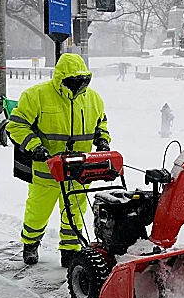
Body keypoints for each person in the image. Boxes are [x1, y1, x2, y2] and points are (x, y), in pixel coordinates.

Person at [7, 53, 111, 267]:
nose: (77, 84)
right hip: (46, 170)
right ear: (60, 77)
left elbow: (101, 123)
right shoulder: (36, 95)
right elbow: (16, 125)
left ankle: (70, 251)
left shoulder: (93, 98)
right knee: (38, 211)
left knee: (75, 213)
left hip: (79, 170)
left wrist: (102, 140)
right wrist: (35, 147)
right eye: (73, 80)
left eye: (81, 80)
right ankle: (30, 243)